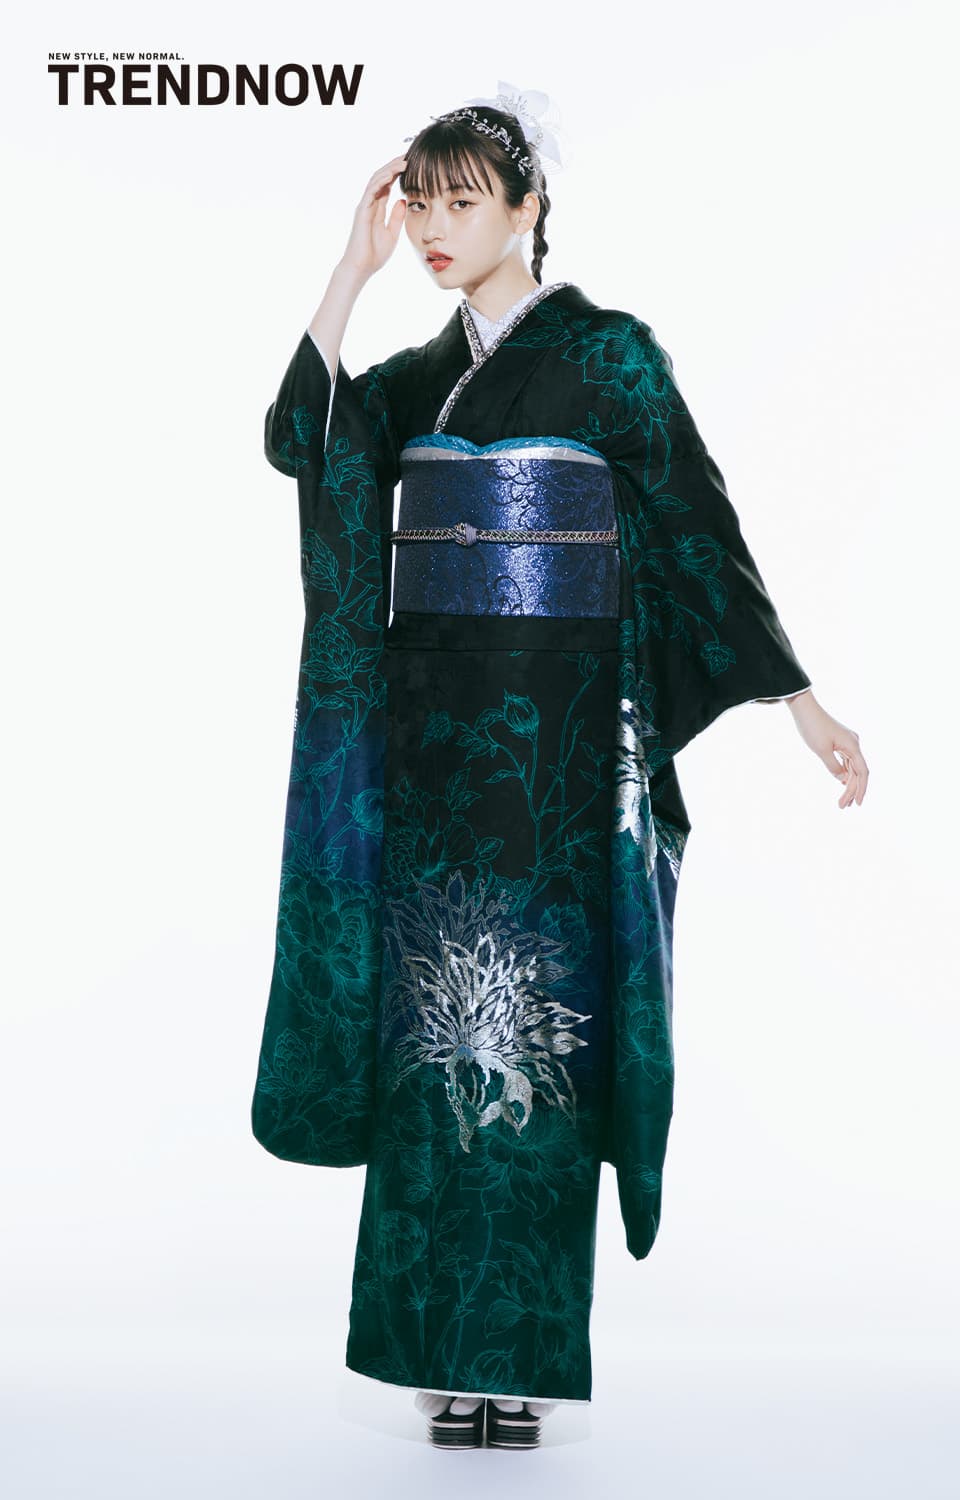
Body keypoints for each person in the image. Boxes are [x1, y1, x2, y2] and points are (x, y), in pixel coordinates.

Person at [250, 86, 869, 1451]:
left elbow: (700, 525)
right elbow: (302, 441)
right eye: (420, 203)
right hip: (433, 751)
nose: (433, 227)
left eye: (462, 201)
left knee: (537, 1043)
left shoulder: (613, 357)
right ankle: (434, 1354)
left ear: (530, 208)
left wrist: (800, 702)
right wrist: (350, 271)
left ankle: (516, 1365)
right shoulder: (414, 379)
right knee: (434, 1041)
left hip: (560, 747)